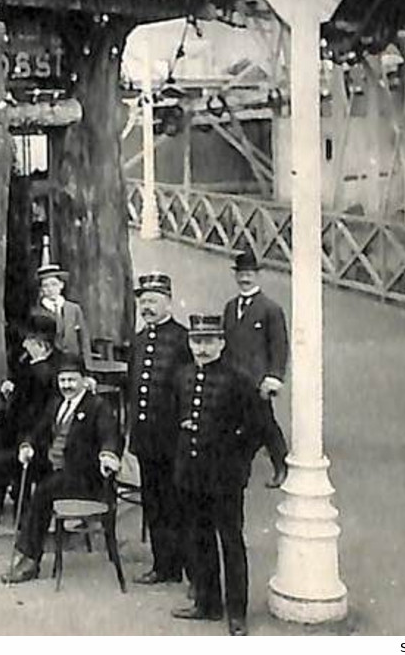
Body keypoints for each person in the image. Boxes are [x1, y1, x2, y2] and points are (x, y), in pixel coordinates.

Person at [171, 312, 261, 636]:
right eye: (197, 341)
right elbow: (174, 419)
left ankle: (237, 612)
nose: (203, 348)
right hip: (192, 474)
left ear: (222, 343)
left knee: (231, 543)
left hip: (224, 478)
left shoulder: (239, 379)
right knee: (200, 539)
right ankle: (207, 604)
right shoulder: (182, 376)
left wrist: (237, 461)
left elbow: (256, 428)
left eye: (209, 341)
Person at [0, 351, 123, 584]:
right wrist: (27, 445)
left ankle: (29, 559)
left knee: (44, 492)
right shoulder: (57, 404)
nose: (66, 385)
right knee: (9, 465)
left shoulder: (98, 407)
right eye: (62, 380)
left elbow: (110, 436)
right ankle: (22, 543)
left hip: (86, 478)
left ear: (84, 381)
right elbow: (38, 430)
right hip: (59, 470)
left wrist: (108, 455)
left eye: (72, 380)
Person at [0, 315, 65, 541]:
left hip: (45, 441)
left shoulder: (58, 368)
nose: (23, 345)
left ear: (41, 345)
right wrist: (12, 385)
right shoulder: (27, 360)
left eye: (28, 341)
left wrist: (28, 440)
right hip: (22, 432)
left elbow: (49, 413)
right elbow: (21, 389)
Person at [126, 271, 191, 585]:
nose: (147, 307)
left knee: (177, 503)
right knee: (153, 502)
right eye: (143, 301)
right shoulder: (139, 339)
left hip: (173, 439)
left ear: (168, 302)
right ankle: (162, 564)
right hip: (146, 438)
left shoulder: (182, 339)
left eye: (153, 301)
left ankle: (184, 567)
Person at [221, 250, 289, 488]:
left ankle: (282, 466)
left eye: (249, 274)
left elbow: (279, 347)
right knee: (237, 425)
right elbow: (225, 343)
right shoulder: (230, 307)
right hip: (233, 378)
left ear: (257, 276)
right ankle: (238, 471)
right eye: (241, 274)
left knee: (265, 424)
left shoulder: (270, 309)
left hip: (257, 381)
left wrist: (273, 377)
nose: (244, 279)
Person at [32, 263, 87, 359]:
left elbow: (83, 338)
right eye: (46, 286)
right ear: (41, 290)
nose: (50, 289)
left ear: (61, 285)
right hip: (49, 364)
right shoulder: (36, 312)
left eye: (54, 284)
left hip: (73, 361)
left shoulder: (74, 309)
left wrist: (86, 364)